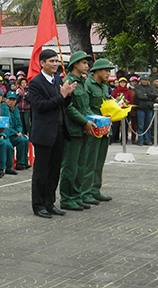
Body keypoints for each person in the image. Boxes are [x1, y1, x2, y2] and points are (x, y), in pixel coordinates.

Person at [27, 49, 75, 218]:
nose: (55, 64)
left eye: (56, 61)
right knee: (41, 171)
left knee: (54, 171)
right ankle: (38, 205)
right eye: (51, 61)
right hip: (44, 133)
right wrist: (61, 97)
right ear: (42, 63)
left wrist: (67, 95)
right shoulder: (35, 83)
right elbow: (40, 106)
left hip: (59, 132)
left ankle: (50, 202)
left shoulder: (58, 80)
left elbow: (62, 104)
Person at [61, 51, 95, 211]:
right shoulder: (68, 81)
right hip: (73, 130)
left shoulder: (82, 82)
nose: (87, 66)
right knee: (70, 166)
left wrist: (93, 121)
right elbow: (68, 107)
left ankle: (77, 195)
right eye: (84, 63)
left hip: (84, 129)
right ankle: (67, 198)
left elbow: (85, 107)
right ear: (75, 64)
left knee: (81, 165)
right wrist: (84, 121)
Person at [85, 59, 116, 202]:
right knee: (90, 160)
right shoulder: (88, 85)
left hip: (104, 127)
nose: (108, 73)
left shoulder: (104, 86)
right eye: (106, 70)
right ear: (97, 71)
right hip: (92, 127)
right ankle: (86, 191)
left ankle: (95, 189)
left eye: (109, 71)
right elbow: (85, 107)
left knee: (100, 160)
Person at [1, 91, 30, 170]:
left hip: (16, 133)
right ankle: (19, 163)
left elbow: (19, 124)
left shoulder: (16, 110)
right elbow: (7, 125)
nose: (11, 102)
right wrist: (16, 133)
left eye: (13, 100)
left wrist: (19, 131)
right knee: (21, 141)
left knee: (25, 140)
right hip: (8, 134)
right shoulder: (4, 109)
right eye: (10, 99)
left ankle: (23, 162)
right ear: (6, 100)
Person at [134, 74, 155, 146]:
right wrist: (150, 97)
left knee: (149, 125)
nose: (145, 81)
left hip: (149, 108)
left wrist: (147, 95)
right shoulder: (137, 88)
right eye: (143, 80)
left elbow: (155, 95)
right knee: (140, 125)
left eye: (146, 80)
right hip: (141, 108)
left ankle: (147, 140)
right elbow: (140, 96)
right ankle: (140, 140)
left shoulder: (151, 88)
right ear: (141, 80)